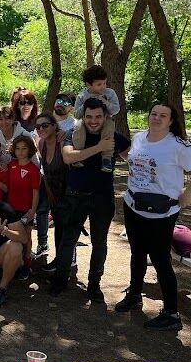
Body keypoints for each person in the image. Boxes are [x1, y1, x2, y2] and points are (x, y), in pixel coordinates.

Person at [116, 102, 191, 331]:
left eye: (163, 115)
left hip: (162, 212)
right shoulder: (139, 137)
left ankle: (171, 313)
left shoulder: (178, 146)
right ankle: (135, 294)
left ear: (171, 121)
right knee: (137, 253)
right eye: (154, 114)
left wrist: (187, 195)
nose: (156, 118)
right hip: (134, 205)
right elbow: (131, 159)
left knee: (160, 260)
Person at [49, 98, 130, 299]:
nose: (93, 121)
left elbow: (134, 159)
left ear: (105, 117)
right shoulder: (74, 134)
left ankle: (94, 285)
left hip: (102, 198)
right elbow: (68, 157)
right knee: (68, 240)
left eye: (98, 117)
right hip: (75, 196)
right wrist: (100, 147)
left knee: (99, 242)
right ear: (83, 117)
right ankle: (60, 280)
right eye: (89, 117)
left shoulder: (115, 137)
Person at [73, 65, 120, 172]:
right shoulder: (82, 96)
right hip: (86, 122)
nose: (103, 86)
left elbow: (116, 110)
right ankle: (78, 155)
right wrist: (86, 103)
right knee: (78, 125)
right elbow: (76, 114)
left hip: (105, 120)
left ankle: (106, 158)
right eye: (99, 84)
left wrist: (106, 103)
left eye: (104, 83)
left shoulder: (110, 93)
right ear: (89, 85)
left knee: (109, 126)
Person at [6, 135, 40, 280]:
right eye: (17, 148)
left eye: (24, 148)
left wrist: (33, 210)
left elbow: (36, 192)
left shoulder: (33, 169)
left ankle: (26, 264)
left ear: (30, 150)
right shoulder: (11, 165)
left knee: (27, 237)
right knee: (13, 236)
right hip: (11, 208)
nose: (20, 152)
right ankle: (15, 263)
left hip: (26, 209)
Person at [33, 113, 67, 262]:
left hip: (67, 192)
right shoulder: (41, 143)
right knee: (59, 227)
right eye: (38, 126)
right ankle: (60, 260)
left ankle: (66, 260)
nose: (41, 129)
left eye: (45, 125)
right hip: (52, 191)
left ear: (54, 126)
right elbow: (45, 170)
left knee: (65, 228)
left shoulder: (63, 141)